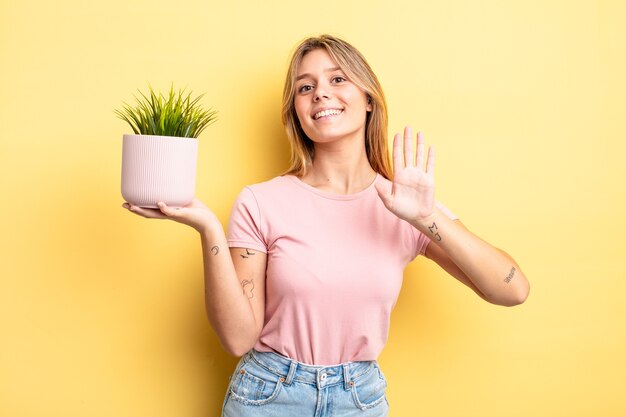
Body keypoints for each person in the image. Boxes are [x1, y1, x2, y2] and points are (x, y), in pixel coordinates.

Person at [123, 34, 530, 417]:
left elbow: (512, 289)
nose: (320, 92)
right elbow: (237, 339)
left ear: (368, 99)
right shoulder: (261, 201)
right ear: (297, 113)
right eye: (305, 87)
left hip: (359, 397)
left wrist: (427, 218)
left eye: (338, 79)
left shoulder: (406, 204)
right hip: (268, 395)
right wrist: (208, 229)